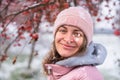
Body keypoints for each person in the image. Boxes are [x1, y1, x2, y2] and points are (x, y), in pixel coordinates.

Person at [42, 6, 107, 80]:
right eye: (63, 31)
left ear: (86, 41)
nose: (68, 39)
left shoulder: (88, 75)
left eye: (77, 34)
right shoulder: (57, 68)